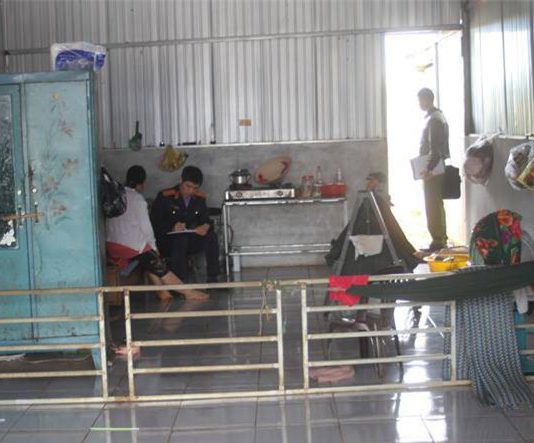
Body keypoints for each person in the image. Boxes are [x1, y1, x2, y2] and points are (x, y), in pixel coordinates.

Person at [106, 165, 208, 354]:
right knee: (155, 261)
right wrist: (155, 248)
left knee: (147, 260)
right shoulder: (138, 199)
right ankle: (187, 292)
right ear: (142, 183)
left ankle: (164, 293)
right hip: (131, 246)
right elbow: (147, 229)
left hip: (112, 244)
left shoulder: (115, 195)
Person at [150, 166, 220, 283]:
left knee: (211, 236)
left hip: (189, 240)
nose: (191, 191)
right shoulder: (165, 196)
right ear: (181, 180)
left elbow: (206, 220)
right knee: (180, 238)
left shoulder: (199, 199)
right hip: (168, 241)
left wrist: (206, 226)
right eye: (188, 186)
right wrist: (172, 228)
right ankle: (179, 282)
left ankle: (213, 278)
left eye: (195, 188)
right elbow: (154, 223)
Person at [417, 88, 450, 252]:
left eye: (420, 100)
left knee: (432, 205)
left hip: (434, 168)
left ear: (427, 100)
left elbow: (435, 148)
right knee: (436, 204)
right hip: (437, 166)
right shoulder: (437, 116)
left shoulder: (434, 119)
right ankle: (440, 239)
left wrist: (429, 169)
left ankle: (438, 242)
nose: (419, 104)